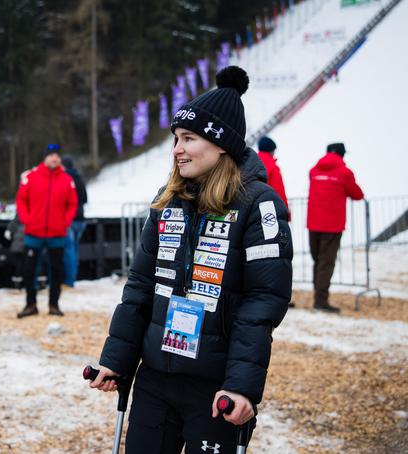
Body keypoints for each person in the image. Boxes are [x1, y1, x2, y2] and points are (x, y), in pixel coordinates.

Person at [88, 66, 293, 454]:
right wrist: (115, 359)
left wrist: (241, 385)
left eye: (189, 138)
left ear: (221, 146)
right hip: (155, 378)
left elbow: (263, 301)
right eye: (176, 139)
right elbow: (140, 286)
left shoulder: (260, 205)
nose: (177, 149)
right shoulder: (168, 200)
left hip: (214, 386)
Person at [15, 144, 77, 318]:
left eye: (57, 155)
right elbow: (21, 200)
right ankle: (31, 304)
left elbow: (72, 203)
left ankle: (54, 305)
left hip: (57, 234)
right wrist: (27, 220)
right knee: (29, 270)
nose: (54, 158)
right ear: (45, 158)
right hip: (33, 233)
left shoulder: (66, 179)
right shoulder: (31, 177)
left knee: (56, 271)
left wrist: (65, 221)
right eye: (51, 155)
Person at [307, 142, 364, 313]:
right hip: (332, 225)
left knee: (318, 262)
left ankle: (318, 296)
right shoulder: (345, 173)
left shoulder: (313, 171)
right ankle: (320, 301)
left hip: (313, 222)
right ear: (341, 154)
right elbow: (357, 194)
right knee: (326, 263)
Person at [61, 155, 88, 287]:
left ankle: (69, 281)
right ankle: (72, 278)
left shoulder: (65, 178)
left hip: (70, 220)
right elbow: (85, 199)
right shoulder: (79, 178)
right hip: (81, 220)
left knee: (68, 250)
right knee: (74, 250)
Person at [256, 136, 289, 218]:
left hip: (253, 211)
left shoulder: (252, 164)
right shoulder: (273, 167)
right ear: (271, 150)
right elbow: (278, 191)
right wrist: (285, 211)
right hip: (271, 213)